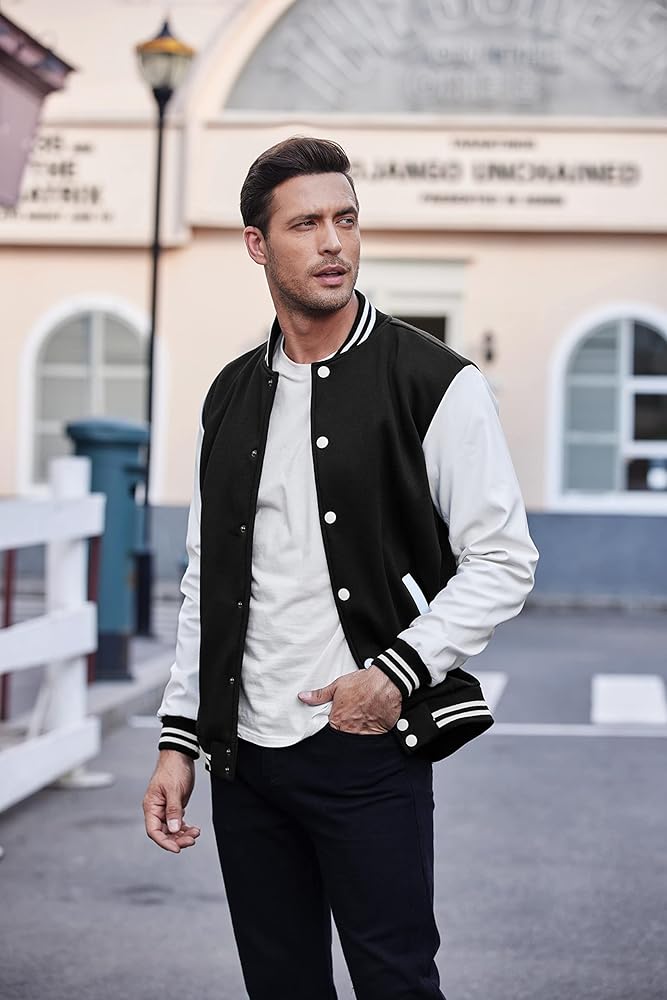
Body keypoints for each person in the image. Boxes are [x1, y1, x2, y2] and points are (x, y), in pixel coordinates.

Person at [142, 136, 538, 999]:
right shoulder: (230, 394)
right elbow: (208, 578)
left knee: (395, 981)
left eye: (346, 219)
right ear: (257, 244)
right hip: (243, 760)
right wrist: (180, 739)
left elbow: (503, 559)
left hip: (362, 746)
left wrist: (394, 674)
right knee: (280, 984)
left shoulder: (432, 381)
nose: (333, 242)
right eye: (306, 224)